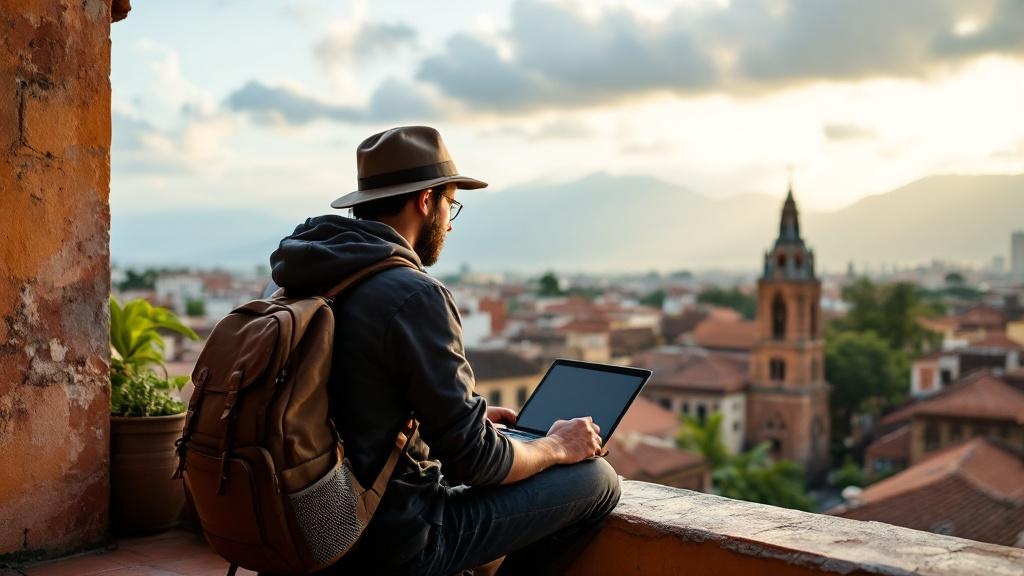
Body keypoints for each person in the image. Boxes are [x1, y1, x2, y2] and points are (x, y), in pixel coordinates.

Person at [269, 126, 620, 576]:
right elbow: (478, 461)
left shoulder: (296, 280)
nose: (449, 223)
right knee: (597, 480)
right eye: (450, 204)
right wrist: (555, 446)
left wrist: (455, 418)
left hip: (318, 521)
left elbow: (355, 408)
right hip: (392, 542)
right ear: (426, 200)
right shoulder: (412, 294)